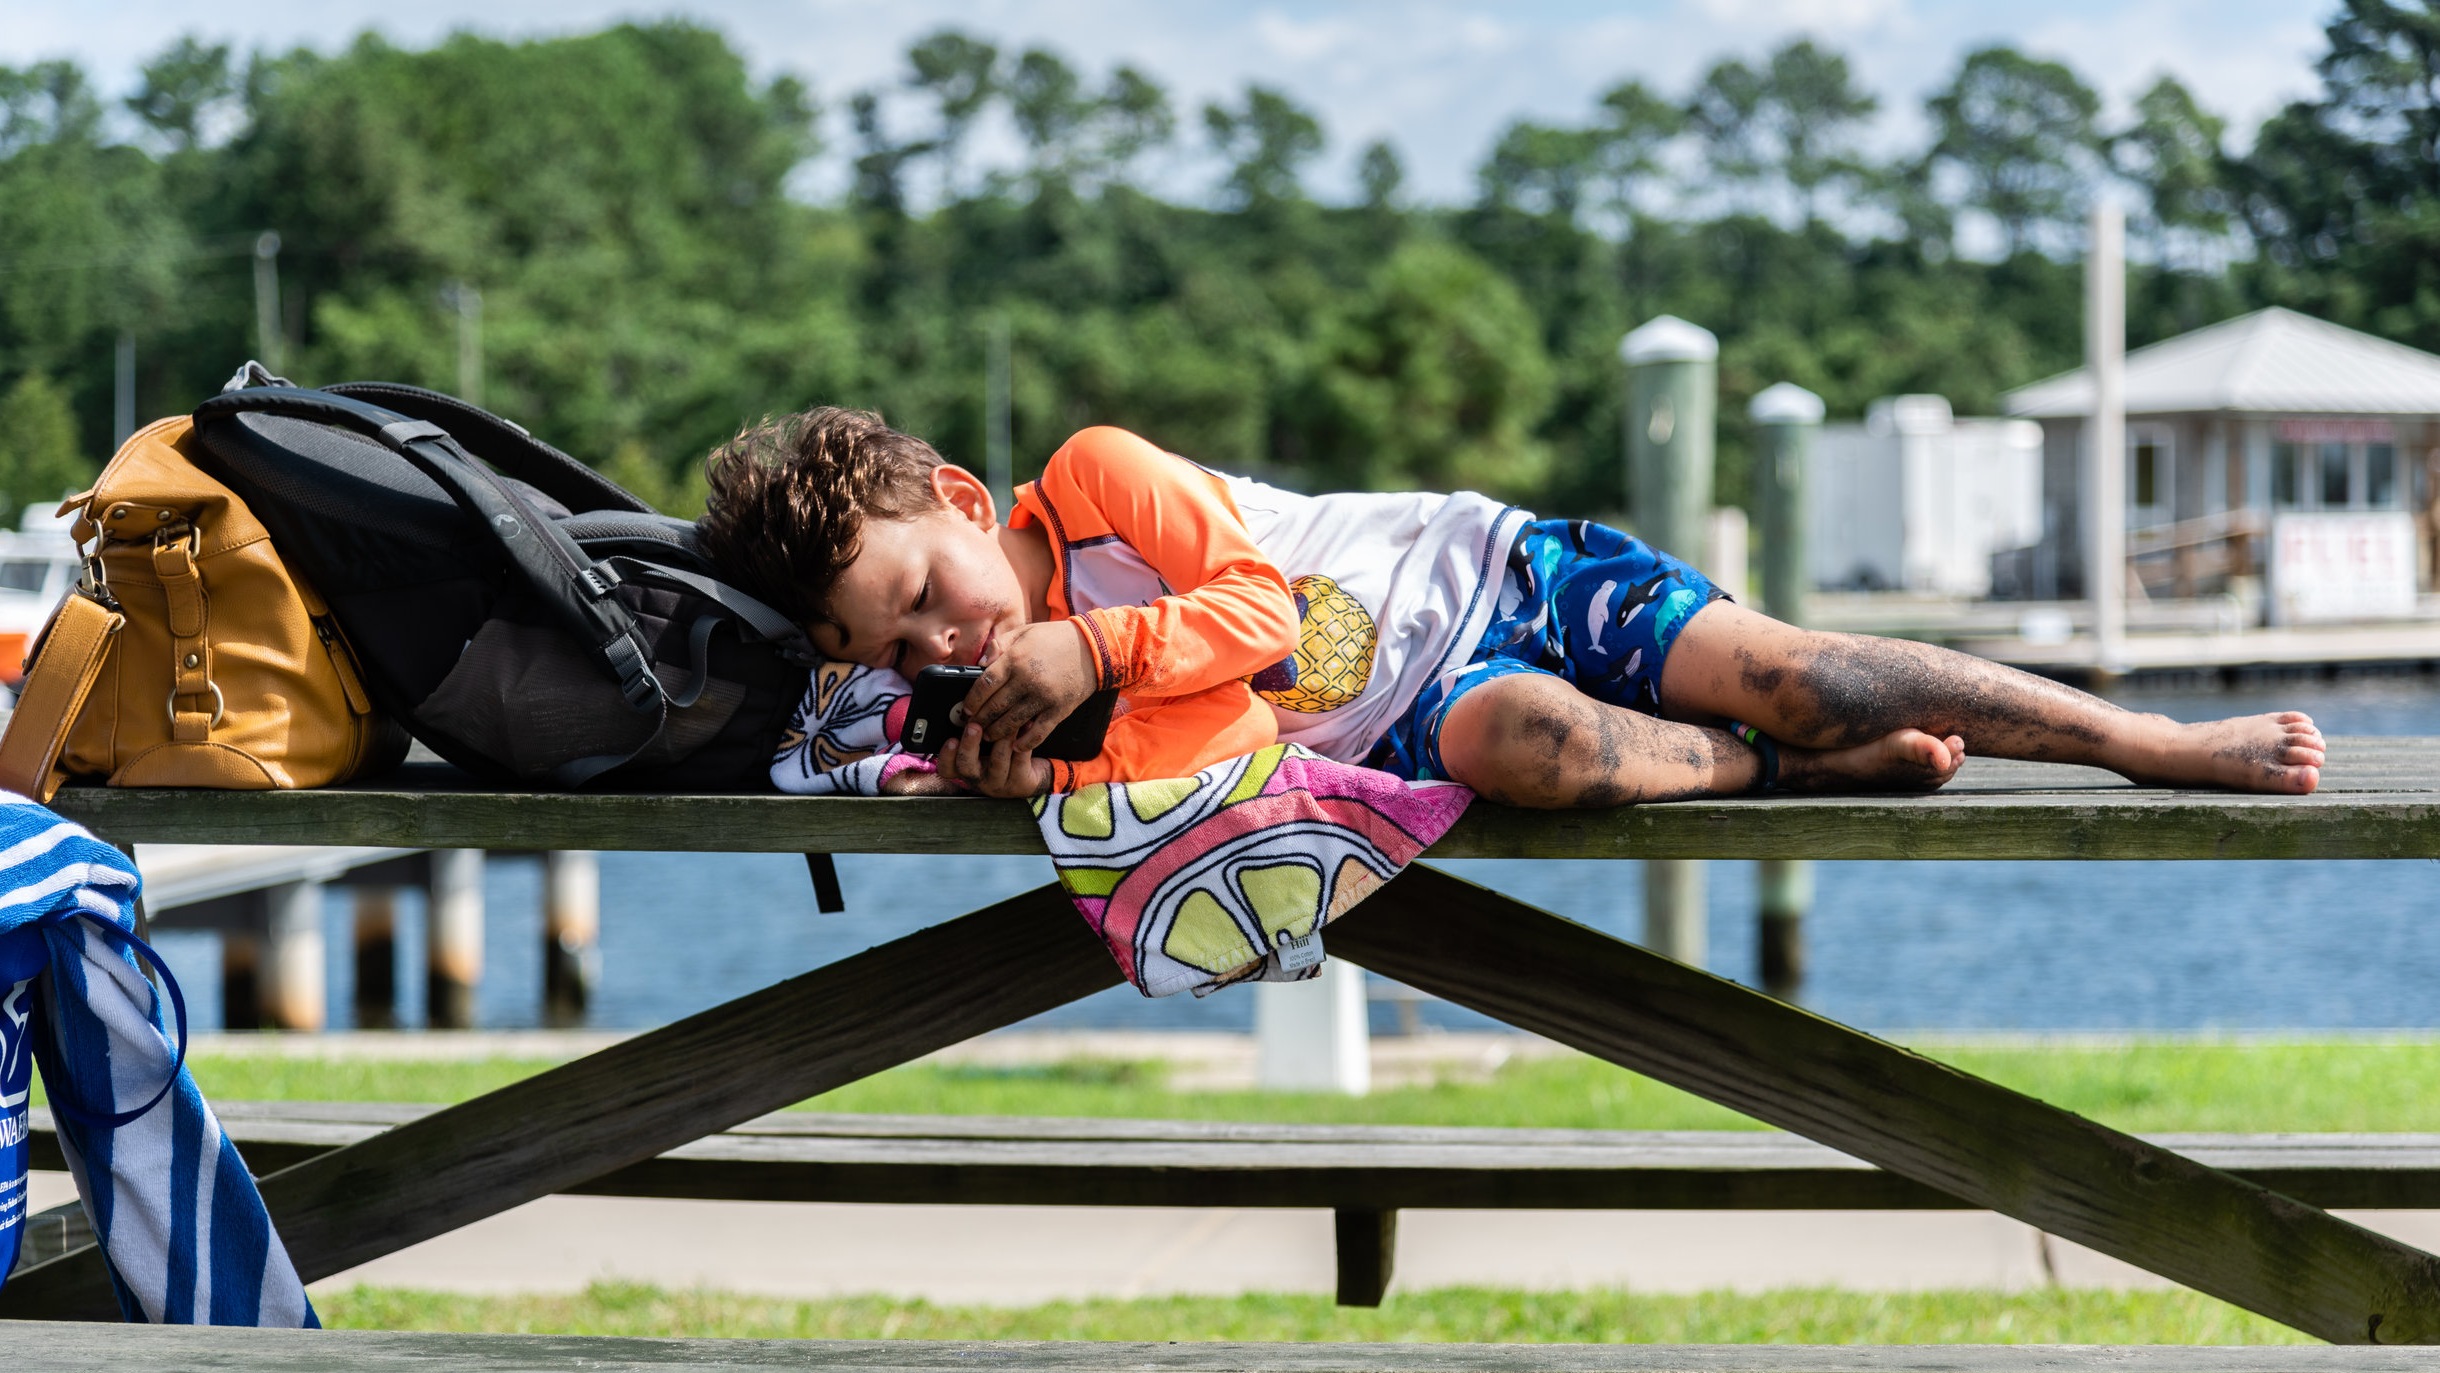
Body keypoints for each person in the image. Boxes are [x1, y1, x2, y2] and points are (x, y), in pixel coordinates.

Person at [699, 408, 2325, 803]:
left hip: (1493, 570)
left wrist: (1088, 639)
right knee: (1540, 752)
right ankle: (1784, 775)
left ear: (966, 508)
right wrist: (1022, 775)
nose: (938, 644)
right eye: (891, 649)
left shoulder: (1099, 473)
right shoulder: (1015, 701)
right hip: (1417, 713)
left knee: (1793, 667)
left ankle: (2145, 740)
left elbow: (1254, 618)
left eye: (925, 591)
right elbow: (1209, 762)